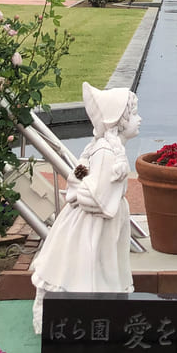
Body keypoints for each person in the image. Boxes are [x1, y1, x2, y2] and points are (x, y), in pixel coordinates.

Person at [31, 83, 140, 333]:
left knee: (99, 266)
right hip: (92, 224)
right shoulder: (106, 152)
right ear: (119, 121)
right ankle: (81, 319)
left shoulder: (110, 149)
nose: (139, 119)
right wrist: (106, 198)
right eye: (133, 114)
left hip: (102, 223)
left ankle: (99, 317)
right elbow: (97, 194)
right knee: (86, 267)